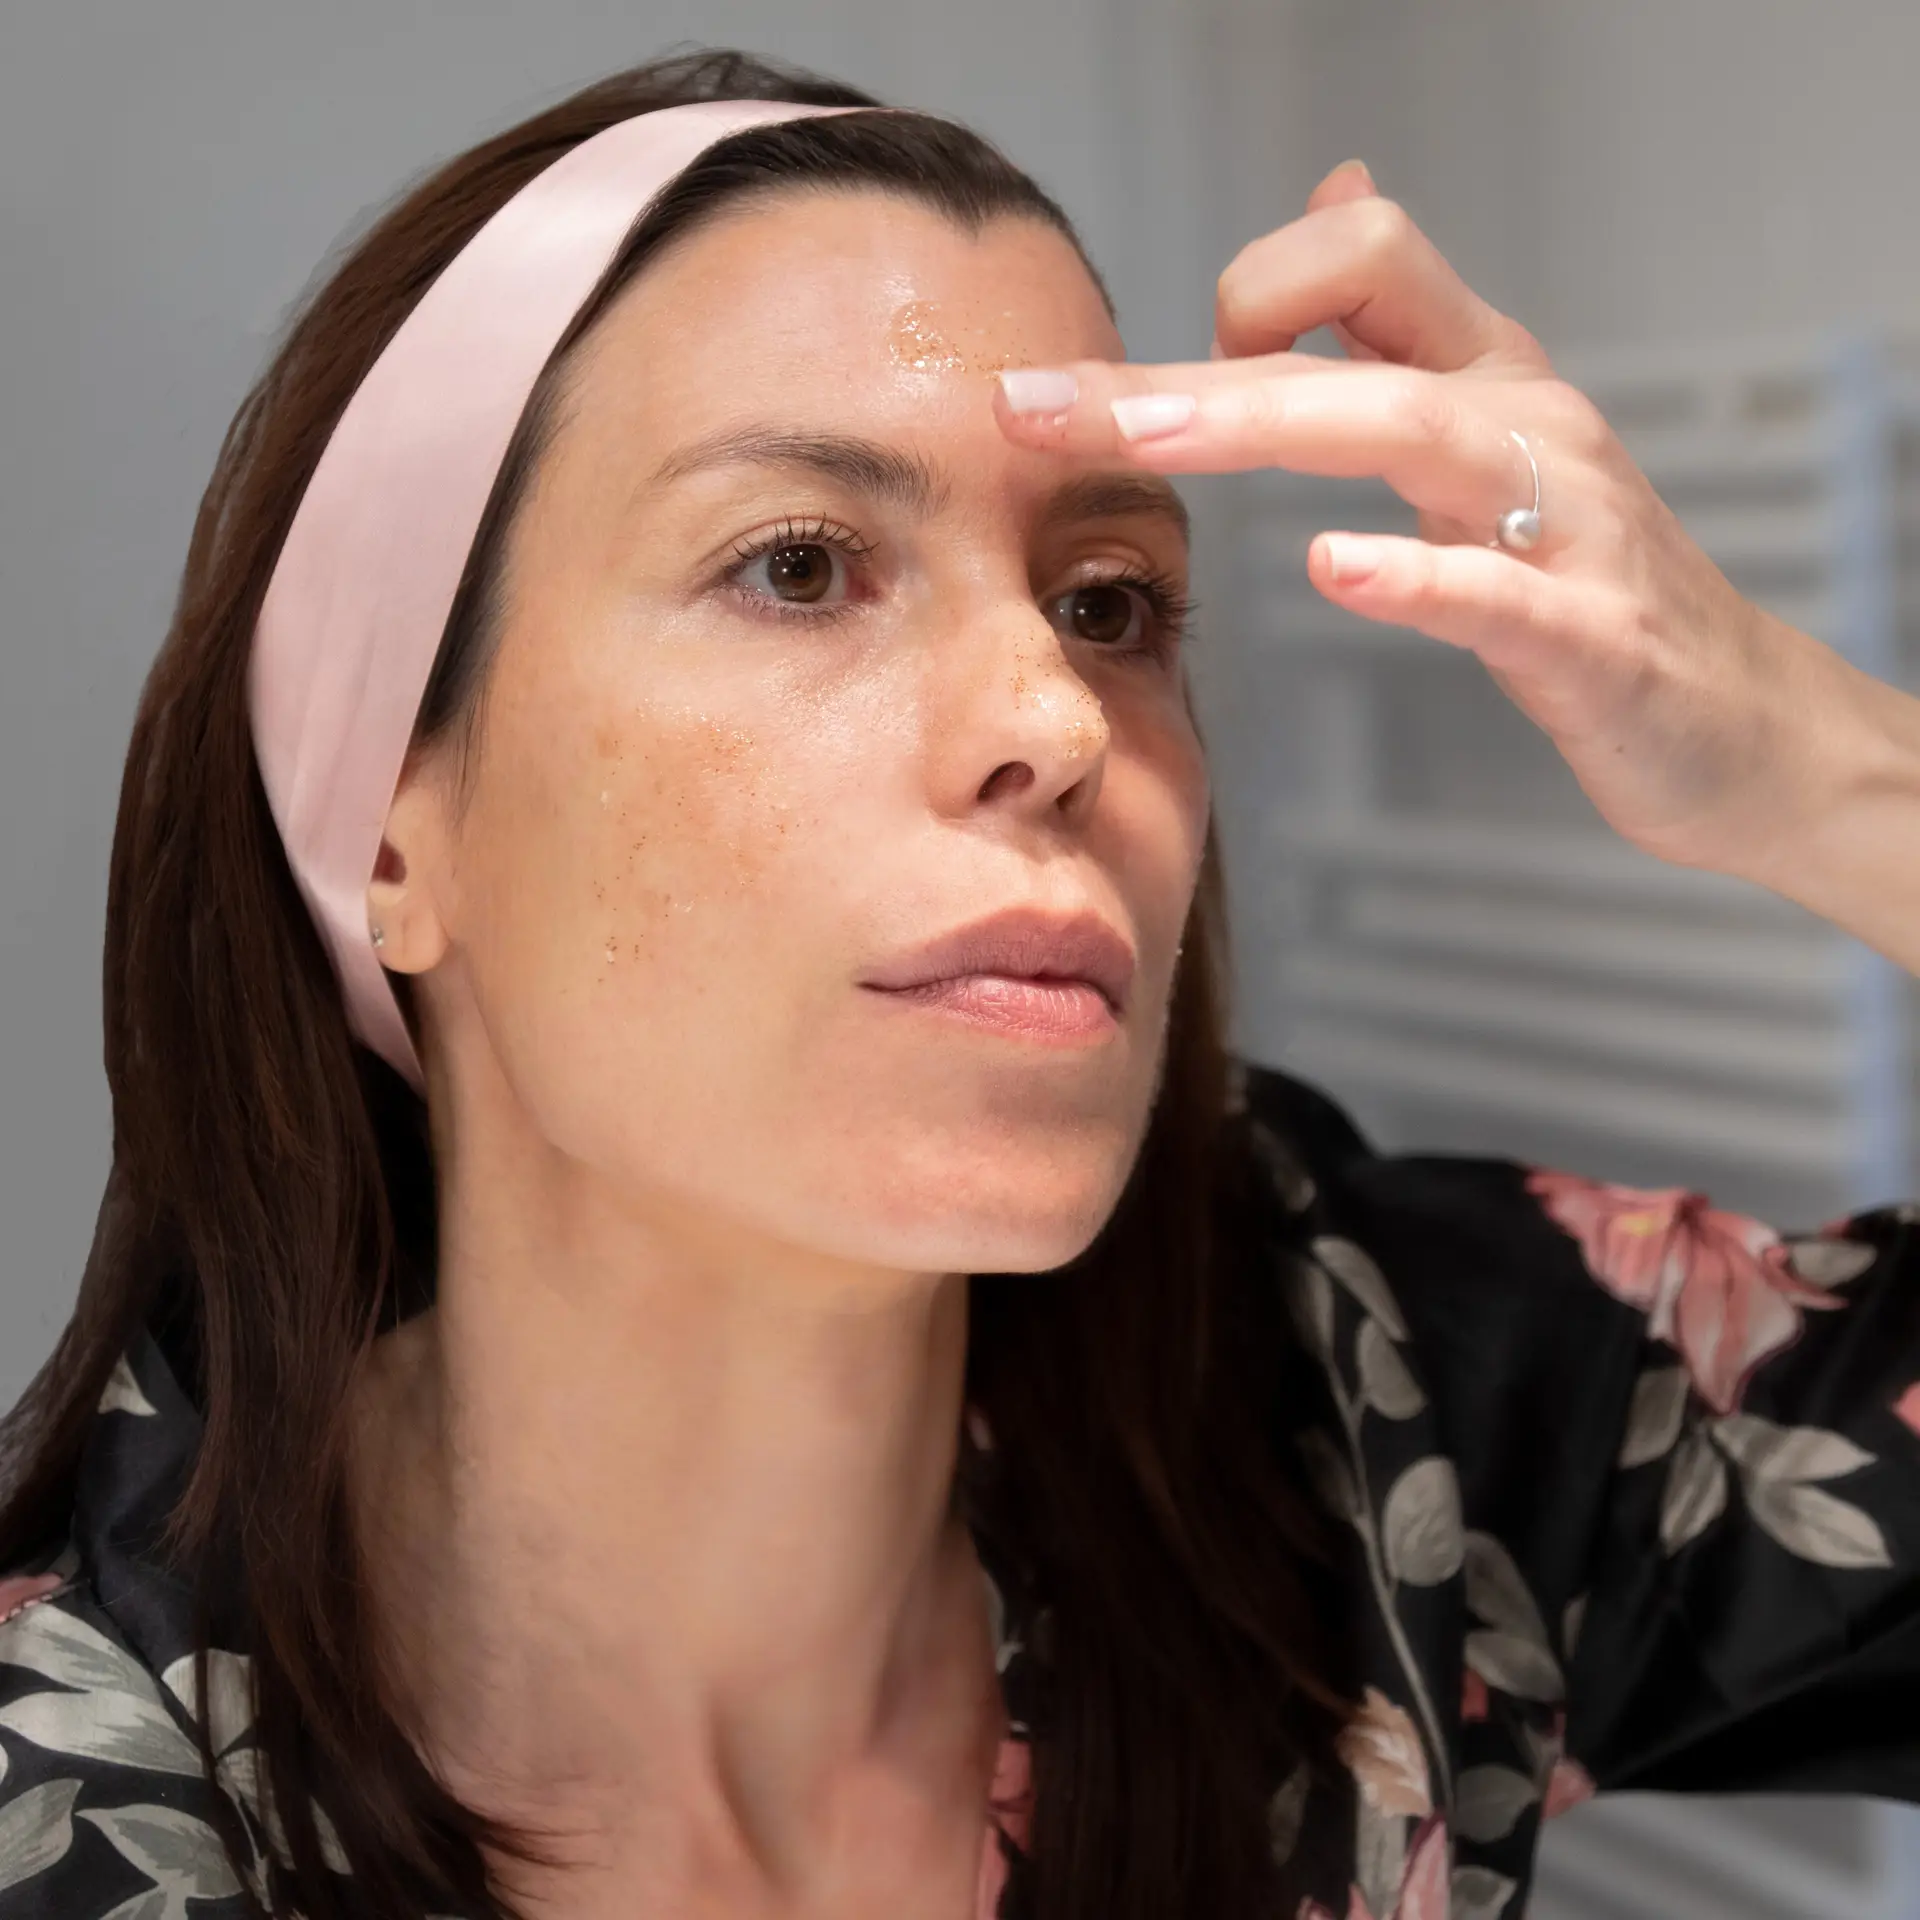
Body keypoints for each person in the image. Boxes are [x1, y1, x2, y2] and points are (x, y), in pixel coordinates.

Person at [0, 43, 1915, 1920]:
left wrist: (1811, 759)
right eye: (802, 567)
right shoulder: (78, 1790)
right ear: (389, 822)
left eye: (1110, 604)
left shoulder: (1368, 1435)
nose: (1053, 715)